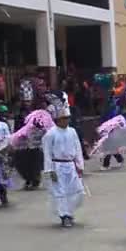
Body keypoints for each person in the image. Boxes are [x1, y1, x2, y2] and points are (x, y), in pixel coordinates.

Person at [42, 92, 85, 228]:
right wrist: (49, 170)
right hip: (57, 166)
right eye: (64, 118)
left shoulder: (72, 131)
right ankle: (64, 215)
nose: (67, 121)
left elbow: (77, 148)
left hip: (70, 166)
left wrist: (80, 165)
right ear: (58, 119)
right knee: (60, 191)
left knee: (75, 190)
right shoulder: (51, 134)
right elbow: (47, 153)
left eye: (68, 118)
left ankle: (70, 212)